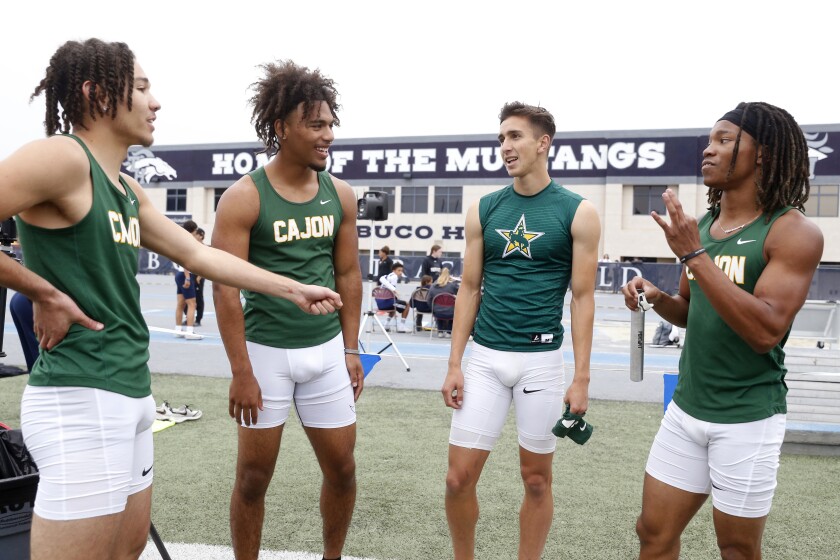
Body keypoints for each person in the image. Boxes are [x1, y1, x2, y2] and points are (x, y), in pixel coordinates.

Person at [0, 39, 342, 560]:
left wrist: (293, 289)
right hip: (79, 395)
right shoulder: (61, 156)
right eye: (140, 88)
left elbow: (198, 256)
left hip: (131, 394)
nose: (154, 101)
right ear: (95, 93)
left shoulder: (125, 188)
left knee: (126, 551)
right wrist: (39, 290)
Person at [622, 101, 823, 560]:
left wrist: (694, 256)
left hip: (747, 417)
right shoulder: (706, 227)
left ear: (765, 154)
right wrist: (655, 295)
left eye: (725, 140)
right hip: (687, 409)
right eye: (709, 141)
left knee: (735, 548)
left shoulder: (793, 231)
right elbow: (692, 313)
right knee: (652, 532)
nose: (708, 151)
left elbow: (765, 330)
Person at [212, 59, 363, 560]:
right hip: (265, 356)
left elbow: (347, 275)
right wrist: (241, 371)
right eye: (316, 125)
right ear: (281, 127)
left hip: (325, 356)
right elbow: (225, 288)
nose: (328, 136)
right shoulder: (242, 198)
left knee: (342, 469)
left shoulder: (340, 194)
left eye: (330, 124)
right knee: (253, 479)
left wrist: (350, 348)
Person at [441, 101, 600, 559]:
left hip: (543, 364)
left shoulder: (578, 212)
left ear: (543, 143)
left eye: (515, 137)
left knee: (535, 480)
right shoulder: (485, 209)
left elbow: (583, 297)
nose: (506, 147)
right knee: (458, 478)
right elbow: (469, 288)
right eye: (502, 139)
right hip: (486, 360)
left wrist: (582, 377)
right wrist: (455, 363)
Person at [174, 219, 203, 339]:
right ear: (192, 230)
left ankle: (178, 330)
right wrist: (187, 278)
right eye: (195, 231)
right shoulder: (187, 240)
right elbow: (185, 260)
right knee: (192, 304)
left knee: (181, 304)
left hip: (179, 274)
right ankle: (189, 332)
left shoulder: (180, 239)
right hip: (185, 274)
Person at [379, 262, 411, 333]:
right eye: (399, 270)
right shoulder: (394, 277)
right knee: (407, 304)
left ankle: (386, 325)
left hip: (379, 303)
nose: (400, 272)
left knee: (395, 303)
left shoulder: (387, 276)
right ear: (394, 270)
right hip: (386, 304)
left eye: (401, 271)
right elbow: (392, 291)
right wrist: (397, 297)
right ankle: (401, 326)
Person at [428, 267, 459, 337]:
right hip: (451, 313)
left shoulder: (433, 286)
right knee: (452, 309)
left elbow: (429, 300)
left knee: (439, 308)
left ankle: (440, 331)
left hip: (437, 313)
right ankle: (449, 331)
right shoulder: (452, 286)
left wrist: (433, 309)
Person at [193, 227, 207, 326]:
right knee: (189, 298)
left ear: (201, 235)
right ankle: (189, 317)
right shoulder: (193, 246)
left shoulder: (204, 248)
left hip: (199, 276)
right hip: (191, 274)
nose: (194, 236)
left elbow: (205, 264)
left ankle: (198, 319)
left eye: (196, 234)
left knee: (198, 298)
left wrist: (200, 276)